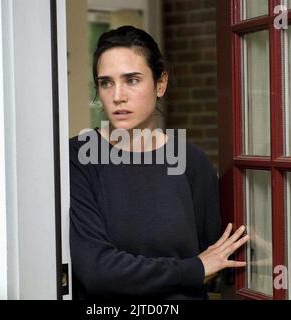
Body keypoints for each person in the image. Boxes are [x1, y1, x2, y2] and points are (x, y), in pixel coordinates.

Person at [69, 25, 248, 300]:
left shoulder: (192, 162)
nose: (118, 96)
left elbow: (218, 265)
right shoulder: (80, 156)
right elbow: (97, 271)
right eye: (106, 82)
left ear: (160, 83)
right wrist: (193, 269)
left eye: (132, 80)